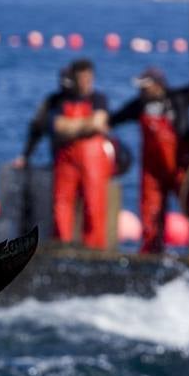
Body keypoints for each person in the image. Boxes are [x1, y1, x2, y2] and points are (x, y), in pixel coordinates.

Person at [110, 54, 189, 253]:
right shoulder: (139, 105)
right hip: (152, 173)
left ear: (157, 85)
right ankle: (151, 253)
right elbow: (112, 120)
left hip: (181, 167)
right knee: (150, 214)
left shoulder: (178, 98)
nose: (141, 90)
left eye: (145, 86)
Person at [49, 59, 112, 248]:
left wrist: (72, 127)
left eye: (88, 77)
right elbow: (58, 127)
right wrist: (87, 125)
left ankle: (94, 250)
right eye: (81, 77)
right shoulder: (60, 100)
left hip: (93, 161)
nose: (85, 82)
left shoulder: (99, 99)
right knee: (61, 205)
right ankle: (61, 249)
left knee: (94, 206)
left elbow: (99, 122)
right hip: (66, 160)